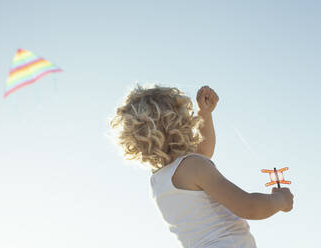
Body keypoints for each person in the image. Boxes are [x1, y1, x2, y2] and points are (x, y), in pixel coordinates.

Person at [110, 84, 294, 248]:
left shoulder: (160, 180)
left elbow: (203, 152)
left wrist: (205, 114)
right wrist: (281, 201)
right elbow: (249, 207)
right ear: (181, 123)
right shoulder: (193, 166)